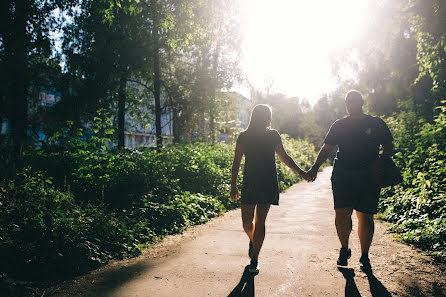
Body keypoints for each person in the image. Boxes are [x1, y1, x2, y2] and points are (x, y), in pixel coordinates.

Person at [307, 90, 394, 272]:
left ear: (361, 102)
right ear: (346, 104)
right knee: (342, 213)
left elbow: (388, 146)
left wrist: (382, 162)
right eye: (349, 101)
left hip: (369, 176)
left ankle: (364, 255)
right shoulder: (340, 125)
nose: (351, 104)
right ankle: (345, 249)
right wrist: (315, 167)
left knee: (365, 216)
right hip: (343, 175)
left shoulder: (376, 123)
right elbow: (327, 149)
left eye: (354, 101)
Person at [230, 104, 308, 274]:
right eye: (267, 116)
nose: (269, 119)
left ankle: (255, 259)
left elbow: (284, 157)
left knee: (260, 222)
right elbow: (236, 162)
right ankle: (253, 241)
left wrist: (301, 172)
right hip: (249, 182)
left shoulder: (273, 135)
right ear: (261, 117)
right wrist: (233, 184)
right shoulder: (244, 137)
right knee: (246, 221)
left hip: (267, 182)